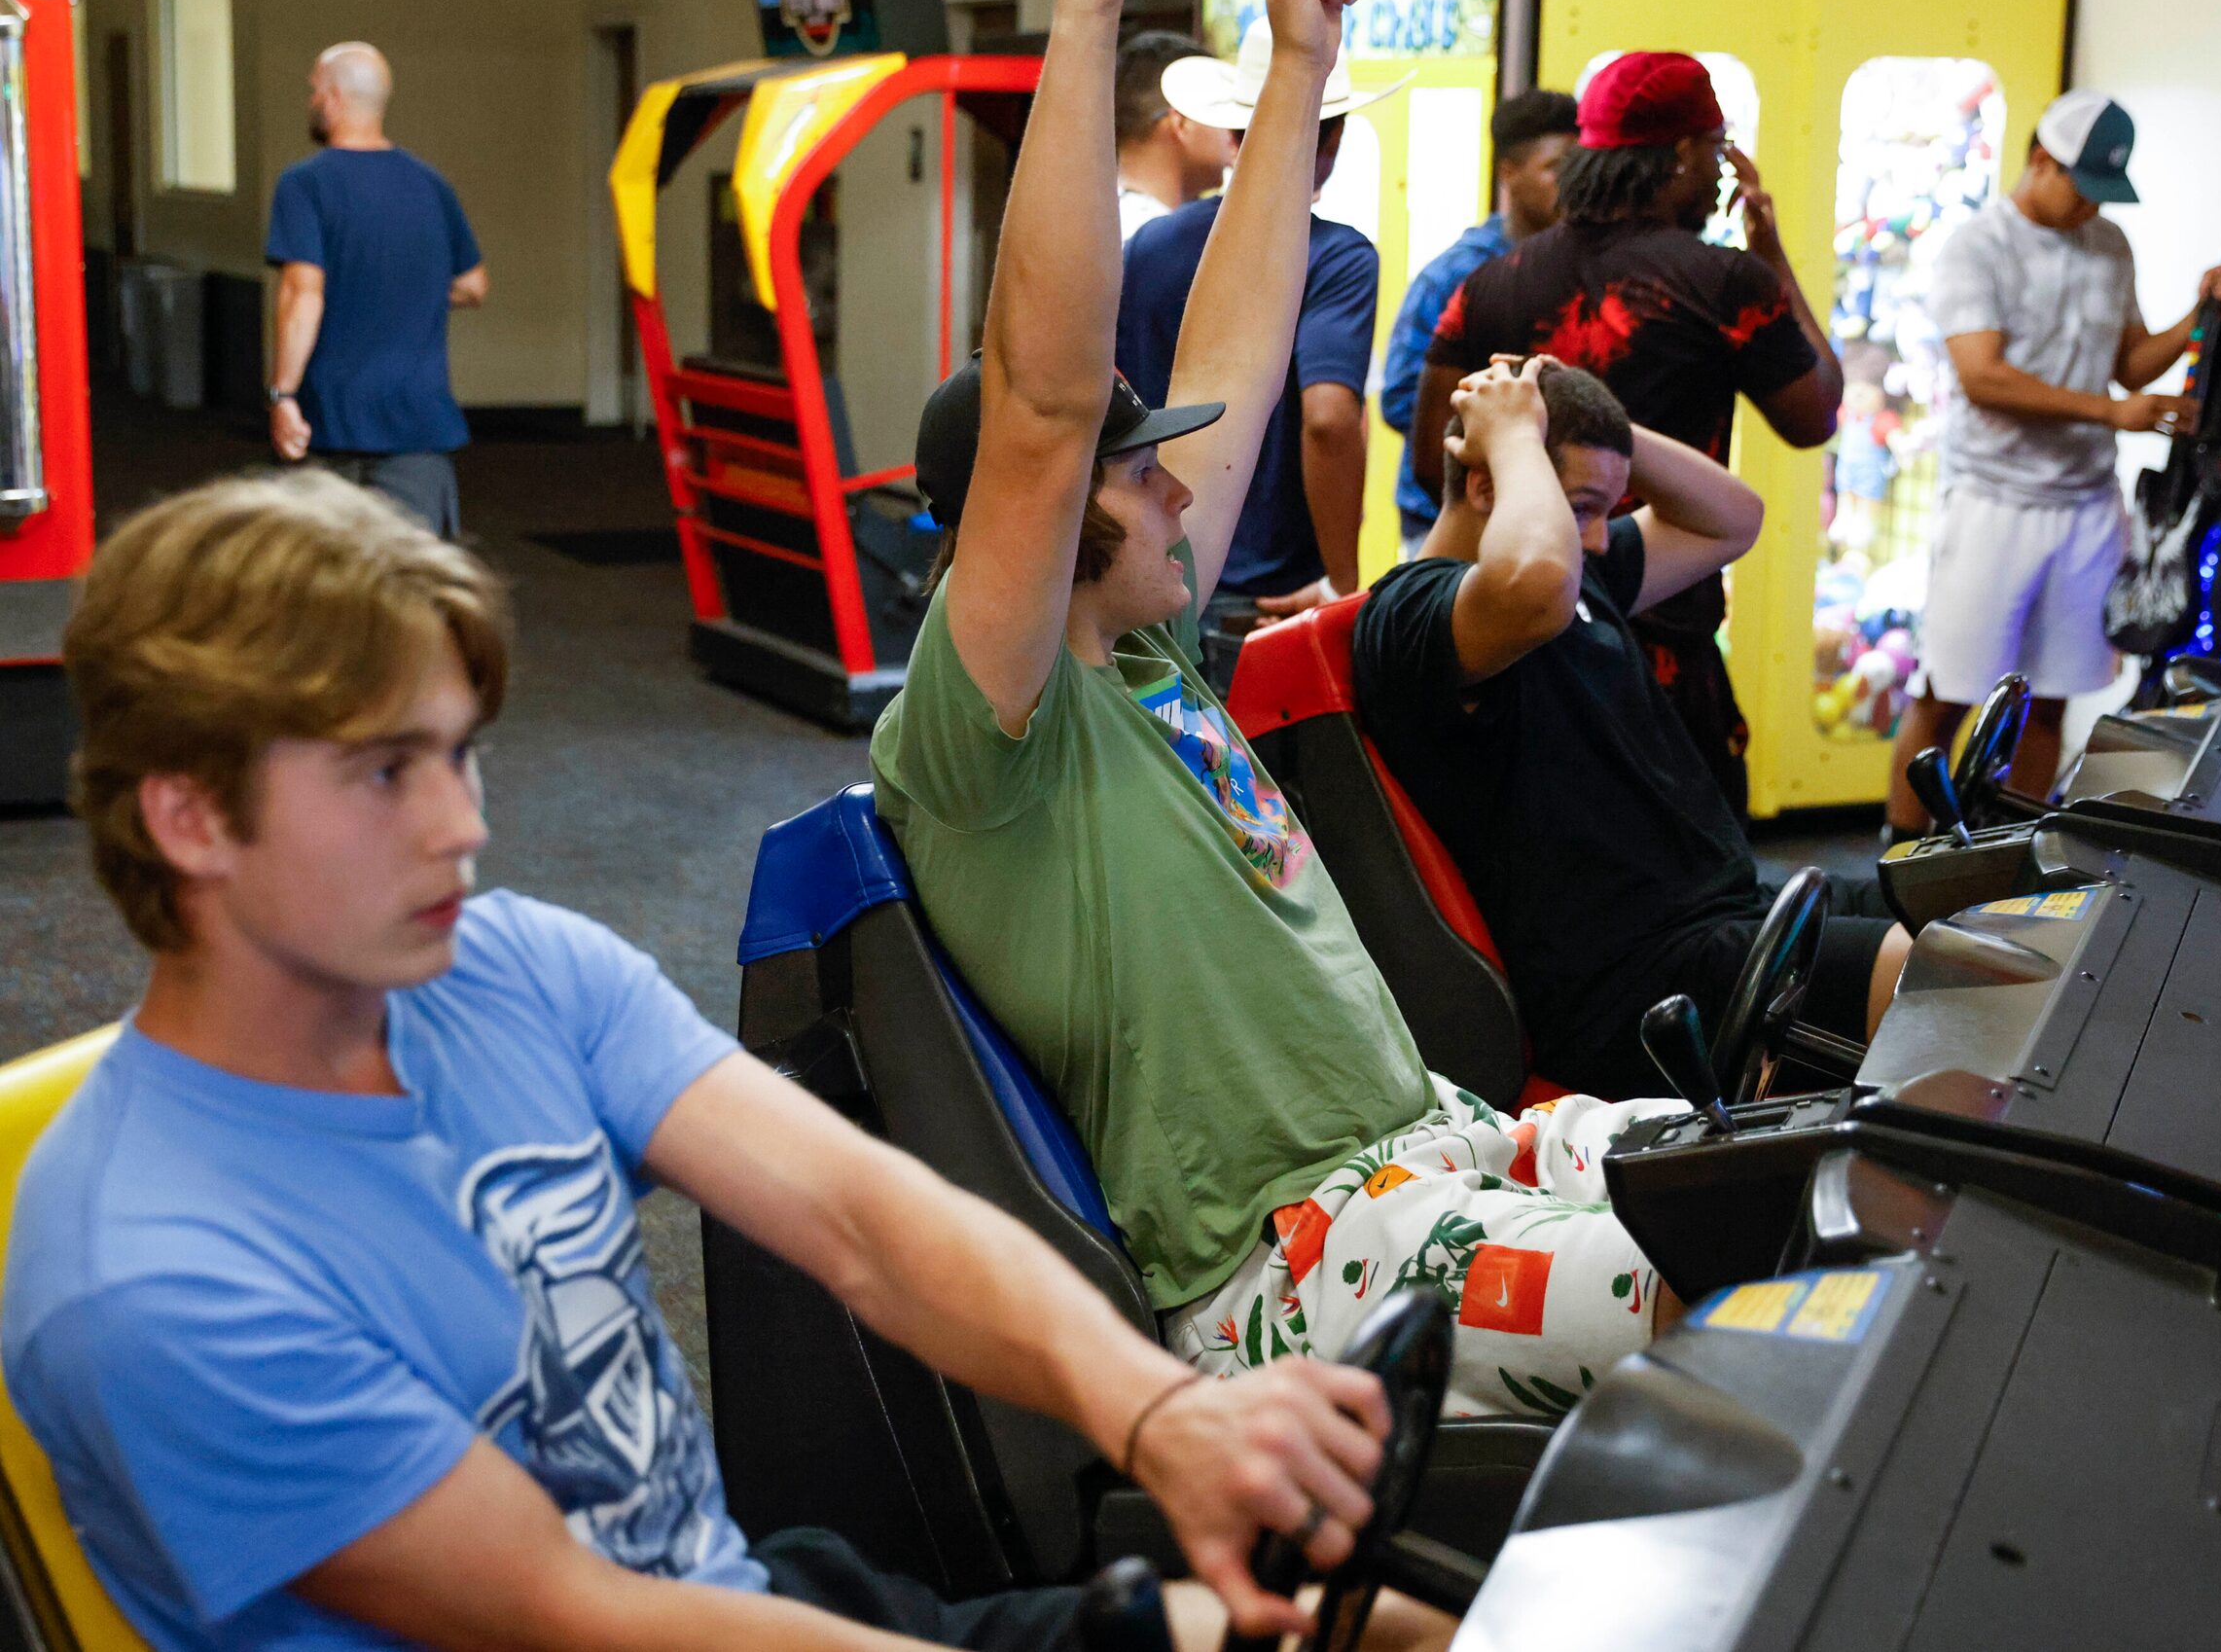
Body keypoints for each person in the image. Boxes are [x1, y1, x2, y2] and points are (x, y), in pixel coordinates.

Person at [8, 458, 1448, 1652]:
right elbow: (574, 1614)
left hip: (734, 1598)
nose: (462, 825)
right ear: (190, 816)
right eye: (387, 771)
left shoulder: (505, 962)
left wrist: (1160, 1413)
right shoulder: (146, 1277)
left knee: (1376, 1628)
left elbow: (863, 1219)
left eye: (462, 753)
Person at [873, 0, 1685, 1424]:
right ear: (1043, 525)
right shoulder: (988, 730)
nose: (1181, 496)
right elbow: (1042, 402)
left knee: (1828, 1185)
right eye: (1135, 475)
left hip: (1439, 1146)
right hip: (1304, 1258)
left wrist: (1299, 66)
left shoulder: (1145, 666)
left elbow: (1233, 365)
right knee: (1758, 1307)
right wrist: (1083, 5)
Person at [1354, 359, 1909, 1101]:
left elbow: (1734, 517)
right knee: (1937, 980)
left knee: (1974, 914)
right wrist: (1516, 435)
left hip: (1727, 921)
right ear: (1488, 485)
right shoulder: (1415, 613)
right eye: (1583, 507)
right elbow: (1535, 586)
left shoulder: (1583, 575)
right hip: (1639, 988)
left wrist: (1584, 418)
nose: (1601, 536)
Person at [1415, 54, 1842, 822]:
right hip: (1660, 646)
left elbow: (1430, 459)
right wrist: (1771, 257)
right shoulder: (1724, 282)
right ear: (1681, 155)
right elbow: (1815, 415)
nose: (1719, 168)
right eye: (1715, 147)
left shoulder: (1491, 283)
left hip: (1510, 632)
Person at [1884, 90, 2221, 831]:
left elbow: (2132, 364)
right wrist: (2111, 412)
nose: (2091, 209)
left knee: (2051, 695)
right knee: (1948, 694)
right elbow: (1982, 378)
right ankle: (1898, 853)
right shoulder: (1977, 247)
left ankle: (2009, 851)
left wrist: (2199, 312)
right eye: (2082, 189)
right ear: (2041, 160)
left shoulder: (2109, 244)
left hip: (2083, 501)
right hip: (1994, 499)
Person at [1117, 21, 1404, 686]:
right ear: (1332, 136)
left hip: (1158, 567)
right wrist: (1344, 579)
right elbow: (1329, 419)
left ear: (1232, 135)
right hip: (1274, 597)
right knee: (1266, 786)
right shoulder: (1335, 257)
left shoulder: (1153, 244)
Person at [266, 42, 488, 539]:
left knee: (327, 586)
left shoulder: (306, 185)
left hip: (333, 424)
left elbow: (303, 294)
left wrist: (282, 394)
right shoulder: (430, 184)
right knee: (414, 587)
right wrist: (411, 287)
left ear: (335, 98)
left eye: (314, 92)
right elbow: (473, 286)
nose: (311, 103)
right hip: (420, 425)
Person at [1380, 90, 1579, 555]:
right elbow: (1399, 399)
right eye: (1555, 168)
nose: (1568, 186)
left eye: (1577, 169)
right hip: (1444, 518)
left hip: (1537, 517)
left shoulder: (1573, 270)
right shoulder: (1454, 275)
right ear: (1508, 173)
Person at [1115, 30, 1237, 242]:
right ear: (1181, 122)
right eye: (1223, 108)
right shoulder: (1147, 239)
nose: (1235, 128)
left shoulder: (1101, 222)